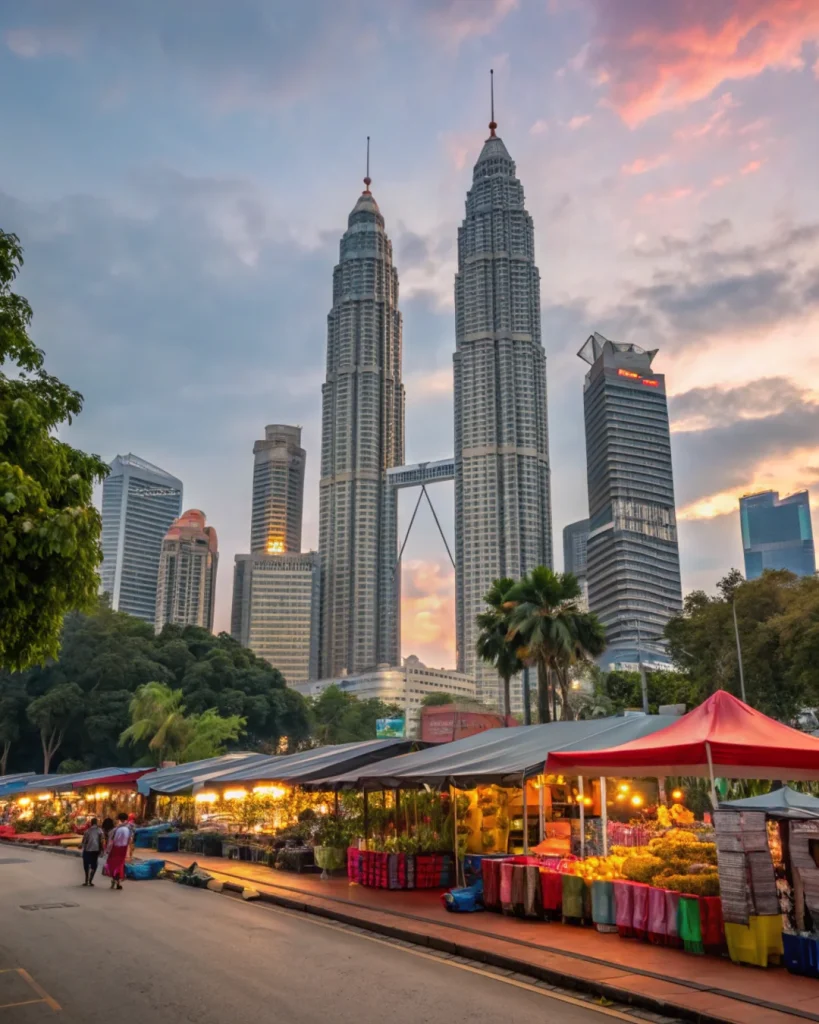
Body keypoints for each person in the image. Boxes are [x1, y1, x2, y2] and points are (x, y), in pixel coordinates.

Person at [104, 813, 132, 890]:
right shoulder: (128, 829)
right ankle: (117, 882)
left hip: (115, 848)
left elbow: (113, 840)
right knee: (120, 865)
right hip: (123, 849)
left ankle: (114, 880)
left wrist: (108, 849)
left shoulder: (117, 829)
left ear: (119, 819)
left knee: (113, 864)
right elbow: (129, 841)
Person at [81, 818, 104, 886]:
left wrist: (81, 846)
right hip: (95, 850)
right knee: (94, 865)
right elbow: (102, 841)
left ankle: (86, 880)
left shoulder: (87, 831)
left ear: (91, 823)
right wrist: (102, 849)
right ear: (96, 823)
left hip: (87, 850)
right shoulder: (100, 831)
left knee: (86, 864)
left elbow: (84, 841)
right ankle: (90, 880)